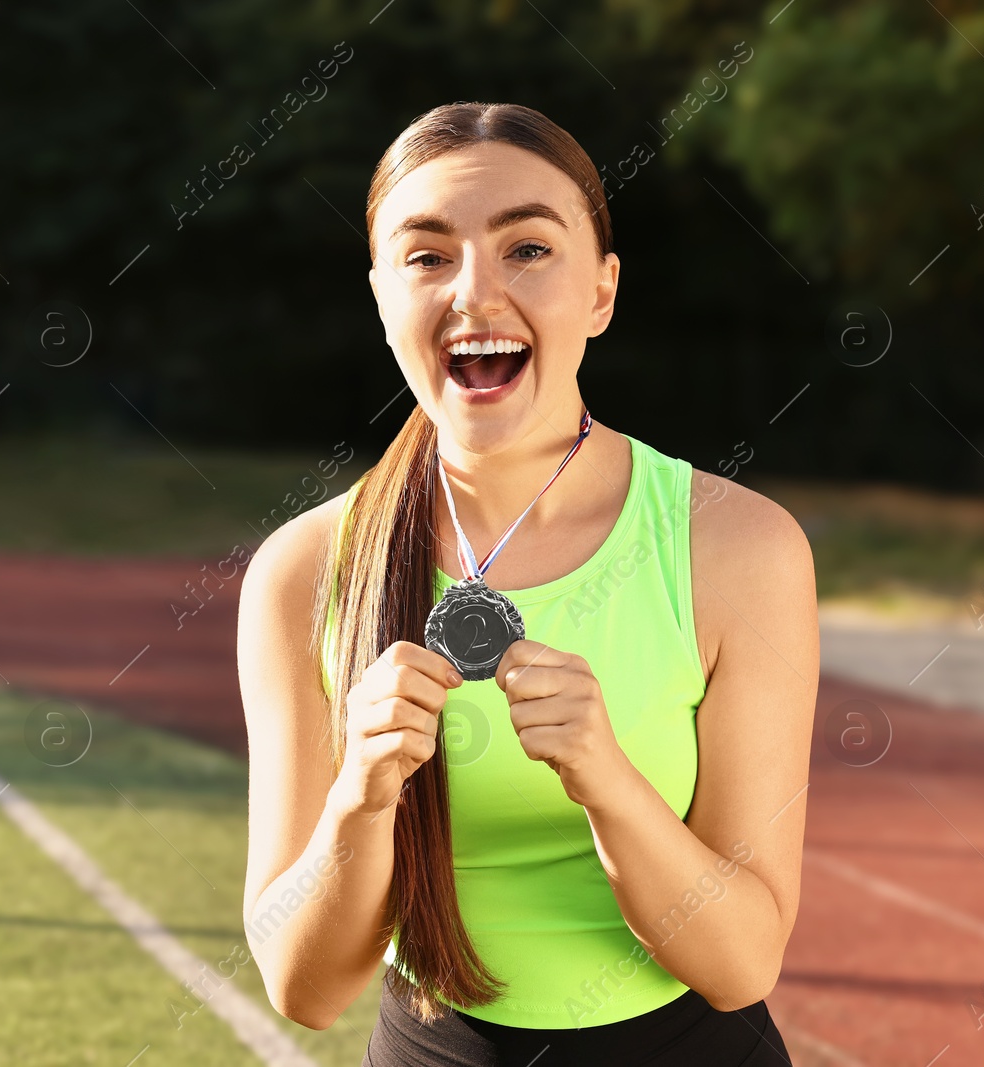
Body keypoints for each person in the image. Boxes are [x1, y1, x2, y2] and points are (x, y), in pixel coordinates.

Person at [236, 101, 817, 1065]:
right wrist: (360, 798)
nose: (474, 293)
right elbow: (303, 986)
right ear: (381, 298)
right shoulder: (302, 571)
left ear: (601, 291)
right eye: (427, 256)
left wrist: (608, 782)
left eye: (528, 249)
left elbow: (742, 962)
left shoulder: (738, 546)